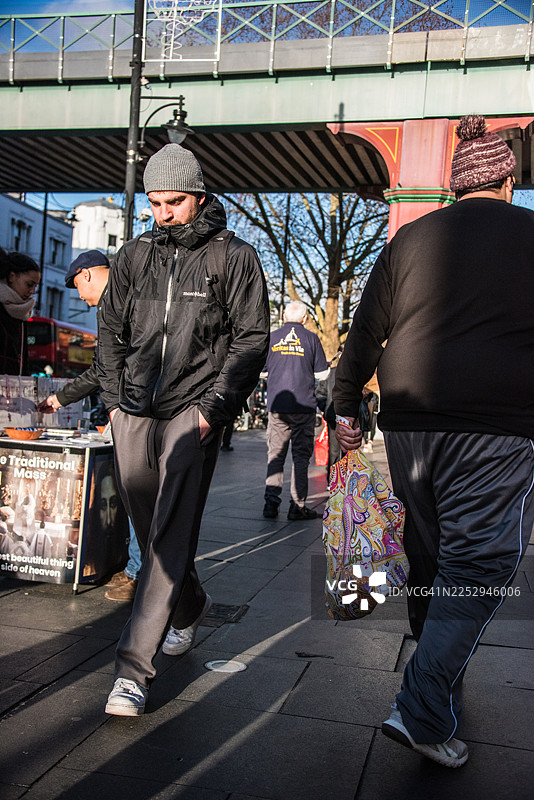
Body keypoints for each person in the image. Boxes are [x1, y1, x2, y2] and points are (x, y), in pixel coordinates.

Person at [333, 114, 534, 768]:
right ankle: (422, 704)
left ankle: (436, 673)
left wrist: (344, 405)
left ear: (454, 186)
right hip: (496, 421)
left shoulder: (413, 237)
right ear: (508, 180)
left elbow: (365, 330)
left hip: (411, 416)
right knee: (481, 563)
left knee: (431, 549)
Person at [97, 143, 270, 716]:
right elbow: (109, 329)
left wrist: (213, 408)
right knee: (150, 529)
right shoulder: (133, 254)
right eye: (153, 202)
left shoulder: (235, 257)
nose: (162, 213)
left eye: (173, 202)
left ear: (198, 196)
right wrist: (116, 399)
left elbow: (251, 339)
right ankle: (189, 603)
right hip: (133, 409)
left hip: (191, 410)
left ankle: (132, 671)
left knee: (169, 534)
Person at [42, 250, 141, 602]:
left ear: (86, 274)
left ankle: (138, 573)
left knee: (138, 496)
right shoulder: (131, 293)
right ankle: (136, 568)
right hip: (132, 409)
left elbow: (105, 368)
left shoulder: (117, 303)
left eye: (78, 288)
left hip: (134, 412)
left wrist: (114, 408)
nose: (81, 298)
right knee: (140, 497)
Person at [263, 300, 329, 520]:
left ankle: (271, 505)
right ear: (305, 318)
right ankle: (297, 507)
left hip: (277, 406)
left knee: (275, 455)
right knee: (301, 457)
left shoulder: (271, 338)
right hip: (303, 406)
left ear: (283, 317)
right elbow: (322, 374)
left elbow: (261, 372)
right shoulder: (311, 339)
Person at [0, 249, 40, 375]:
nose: (33, 291)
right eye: (29, 284)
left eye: (35, 286)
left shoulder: (22, 313)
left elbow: (23, 359)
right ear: (12, 276)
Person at [359, 385, 379, 453]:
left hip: (373, 413)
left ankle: (370, 441)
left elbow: (376, 406)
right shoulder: (364, 395)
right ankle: (366, 443)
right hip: (365, 413)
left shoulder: (375, 396)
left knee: (373, 427)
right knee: (365, 428)